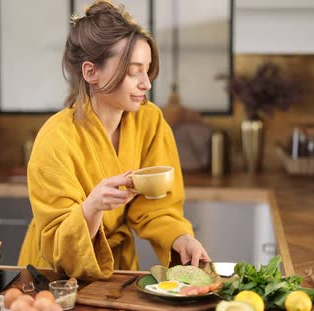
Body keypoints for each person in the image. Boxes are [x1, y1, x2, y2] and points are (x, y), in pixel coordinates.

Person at [17, 0, 210, 280]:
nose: (146, 83)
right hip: (51, 277)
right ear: (91, 72)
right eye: (133, 71)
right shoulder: (55, 138)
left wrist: (180, 238)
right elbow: (56, 237)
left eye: (147, 69)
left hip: (116, 272)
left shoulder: (149, 120)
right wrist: (91, 208)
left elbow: (158, 206)